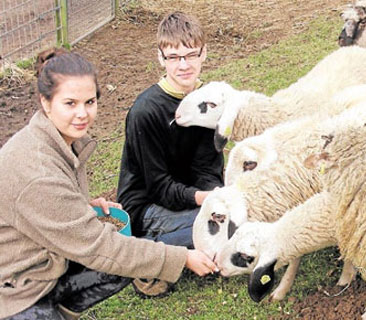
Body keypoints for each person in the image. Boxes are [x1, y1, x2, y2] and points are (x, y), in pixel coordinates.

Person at [0, 48, 217, 320]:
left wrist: (81, 207)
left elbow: (42, 208)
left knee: (122, 264)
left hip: (45, 263)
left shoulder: (54, 140)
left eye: (89, 102)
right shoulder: (38, 170)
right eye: (70, 103)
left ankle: (59, 310)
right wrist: (182, 258)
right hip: (13, 288)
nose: (82, 114)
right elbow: (101, 248)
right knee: (119, 256)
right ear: (46, 102)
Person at [117, 12, 224, 297]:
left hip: (187, 195)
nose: (184, 65)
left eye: (191, 55)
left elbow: (208, 165)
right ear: (161, 58)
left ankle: (195, 244)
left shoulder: (209, 100)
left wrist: (215, 195)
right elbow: (158, 186)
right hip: (149, 207)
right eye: (174, 57)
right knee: (228, 223)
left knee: (238, 214)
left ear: (204, 53)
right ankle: (145, 253)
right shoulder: (145, 111)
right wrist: (205, 201)